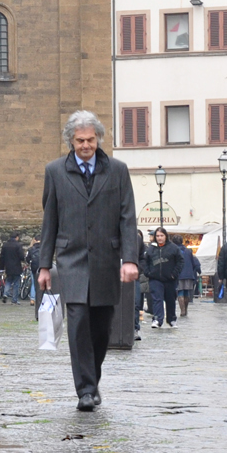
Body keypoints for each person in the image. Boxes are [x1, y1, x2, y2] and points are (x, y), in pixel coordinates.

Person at [37, 110, 139, 412]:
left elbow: (127, 218)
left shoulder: (117, 170)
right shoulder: (55, 171)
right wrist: (44, 265)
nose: (85, 145)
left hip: (107, 260)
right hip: (72, 260)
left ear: (99, 139)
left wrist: (129, 259)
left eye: (90, 140)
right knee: (79, 322)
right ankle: (85, 390)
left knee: (101, 328)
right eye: (80, 140)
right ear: (71, 141)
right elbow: (49, 221)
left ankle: (92, 380)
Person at [142, 227, 182, 328]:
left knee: (170, 300)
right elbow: (145, 261)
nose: (159, 238)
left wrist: (174, 274)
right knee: (157, 299)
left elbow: (180, 261)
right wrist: (148, 273)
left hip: (170, 279)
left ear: (166, 236)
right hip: (155, 278)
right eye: (158, 236)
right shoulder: (151, 248)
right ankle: (157, 319)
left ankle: (171, 319)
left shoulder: (173, 248)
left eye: (161, 236)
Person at [175, 236, 201, 318]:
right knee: (186, 292)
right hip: (189, 274)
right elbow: (194, 263)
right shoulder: (188, 251)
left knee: (180, 292)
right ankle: (185, 309)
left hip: (179, 274)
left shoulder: (174, 251)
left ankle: (182, 310)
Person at [0, 232, 25, 305]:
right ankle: (14, 299)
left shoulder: (5, 245)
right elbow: (21, 256)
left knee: (8, 281)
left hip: (8, 266)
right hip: (16, 266)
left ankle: (5, 293)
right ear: (16, 237)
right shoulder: (18, 245)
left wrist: (1, 268)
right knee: (16, 283)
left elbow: (2, 257)